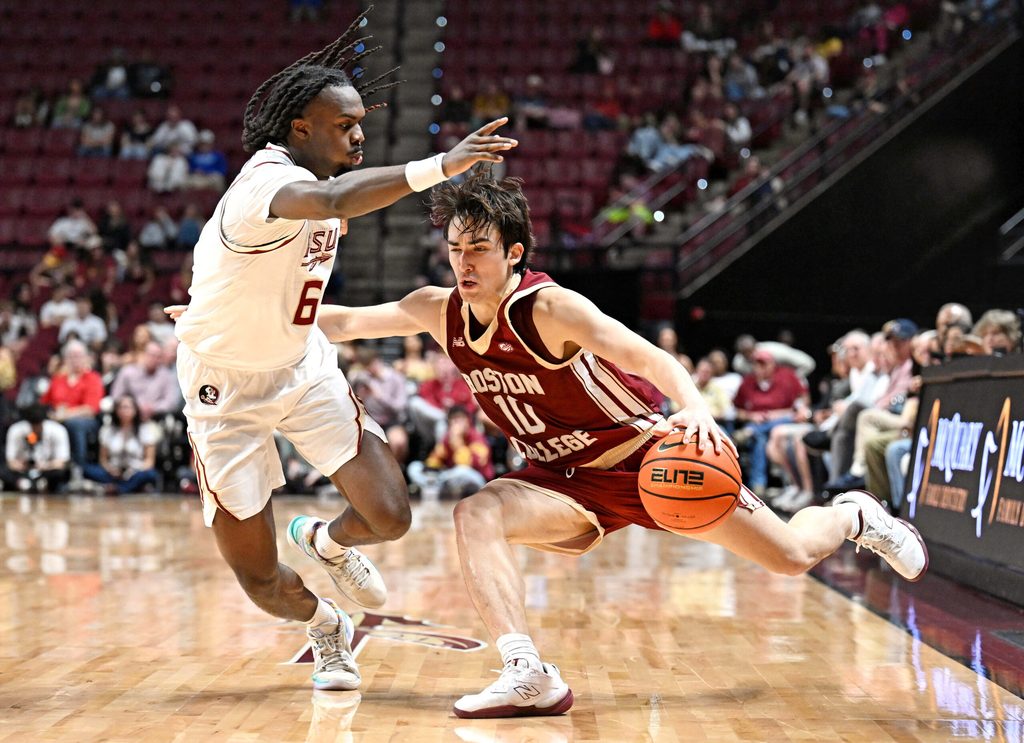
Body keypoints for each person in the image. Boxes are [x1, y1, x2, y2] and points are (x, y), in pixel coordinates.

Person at [311, 168, 928, 718]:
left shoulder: (551, 309)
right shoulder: (436, 310)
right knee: (477, 510)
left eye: (479, 249)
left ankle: (853, 514)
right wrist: (255, 312)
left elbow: (652, 357)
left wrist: (692, 408)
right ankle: (526, 671)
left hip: (646, 461)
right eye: (454, 250)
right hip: (560, 480)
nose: (464, 263)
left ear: (514, 253)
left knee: (792, 556)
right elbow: (343, 322)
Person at [162, 9, 518, 693]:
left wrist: (215, 306)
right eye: (344, 125)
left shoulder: (314, 182)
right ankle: (326, 625)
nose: (359, 134)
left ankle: (326, 542)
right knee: (259, 578)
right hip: (223, 390)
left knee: (390, 514)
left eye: (360, 123)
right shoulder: (268, 184)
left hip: (299, 365)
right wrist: (439, 166)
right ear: (301, 129)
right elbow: (325, 202)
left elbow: (257, 269)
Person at [40, 340, 103, 469]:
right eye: (71, 356)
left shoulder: (93, 378)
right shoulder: (58, 379)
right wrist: (51, 414)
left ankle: (79, 467)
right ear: (65, 359)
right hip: (57, 418)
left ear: (86, 358)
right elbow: (44, 402)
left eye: (79, 356)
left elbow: (91, 409)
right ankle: (45, 464)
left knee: (74, 424)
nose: (75, 360)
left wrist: (65, 415)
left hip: (85, 421)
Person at [83, 395, 161, 495]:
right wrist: (110, 469)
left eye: (127, 407)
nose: (124, 411)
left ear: (135, 410)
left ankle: (118, 489)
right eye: (121, 407)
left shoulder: (145, 429)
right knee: (88, 470)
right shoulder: (108, 429)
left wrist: (133, 471)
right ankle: (129, 488)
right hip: (113, 471)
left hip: (136, 470)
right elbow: (103, 459)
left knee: (150, 474)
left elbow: (149, 461)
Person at [1, 404, 71, 493]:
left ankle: (42, 484)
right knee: (3, 471)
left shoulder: (57, 430)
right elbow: (10, 461)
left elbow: (62, 462)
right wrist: (19, 465)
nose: (35, 429)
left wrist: (46, 465)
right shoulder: (16, 430)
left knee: (63, 473)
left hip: (47, 469)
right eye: (32, 425)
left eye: (38, 425)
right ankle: (23, 484)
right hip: (23, 470)